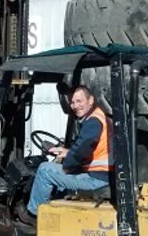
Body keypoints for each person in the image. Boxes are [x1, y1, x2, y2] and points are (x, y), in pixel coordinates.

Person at [17, 85, 112, 225]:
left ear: (90, 100)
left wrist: (67, 162)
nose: (75, 106)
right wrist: (67, 151)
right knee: (58, 173)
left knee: (44, 170)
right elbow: (89, 148)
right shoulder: (99, 116)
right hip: (102, 175)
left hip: (97, 179)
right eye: (73, 102)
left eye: (79, 101)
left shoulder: (92, 122)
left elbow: (82, 150)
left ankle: (34, 214)